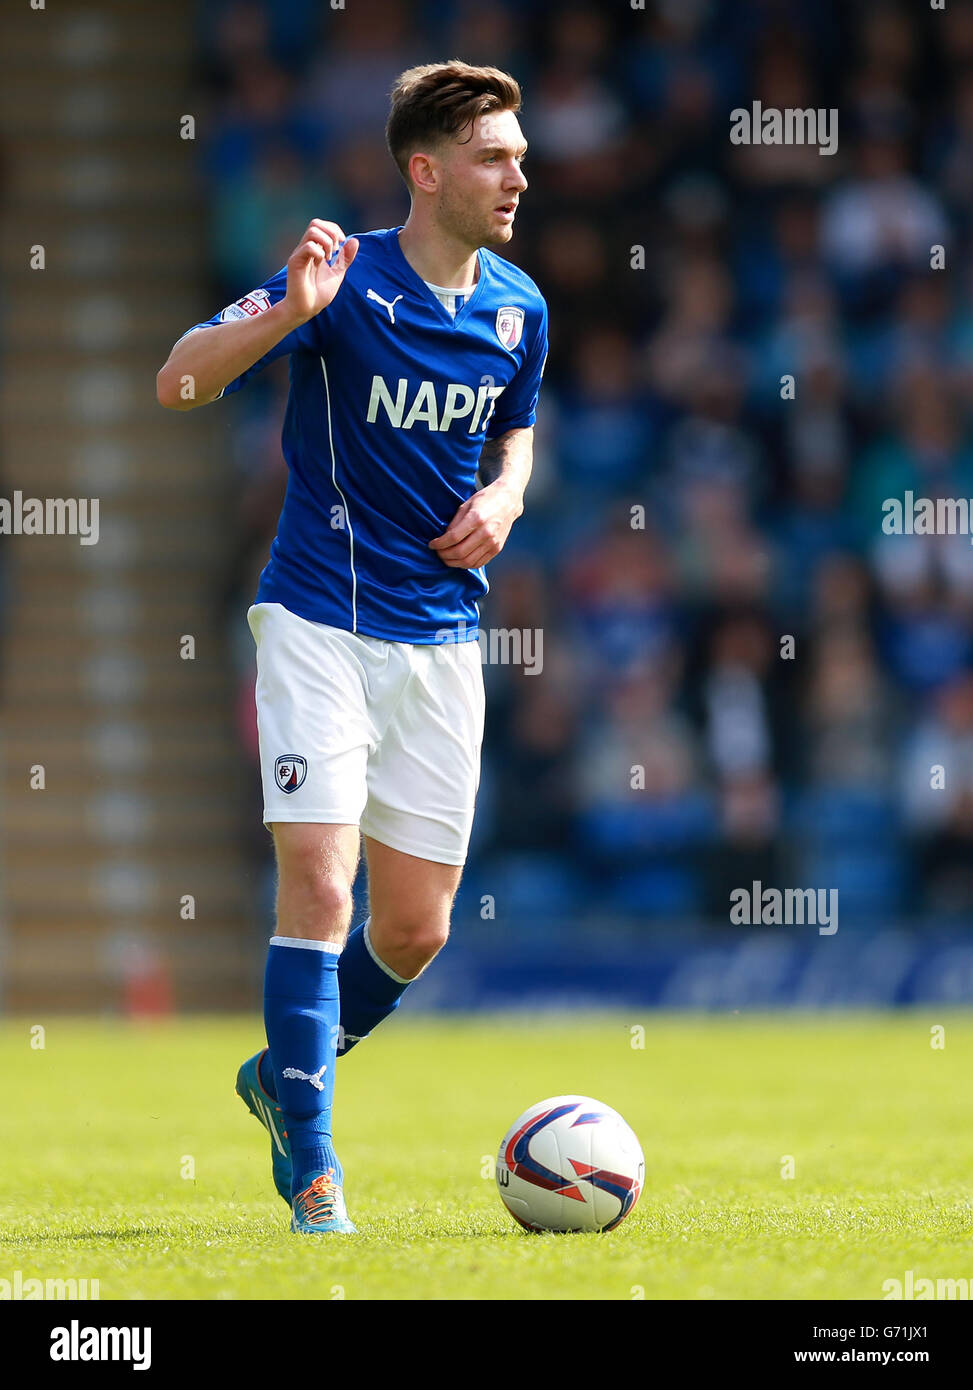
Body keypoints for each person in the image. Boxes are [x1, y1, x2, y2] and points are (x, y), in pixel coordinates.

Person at [157, 60, 548, 1233]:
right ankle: (314, 1168)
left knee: (416, 926)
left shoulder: (519, 305)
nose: (518, 172)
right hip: (318, 616)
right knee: (321, 886)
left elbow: (516, 434)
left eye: (519, 153)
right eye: (493, 156)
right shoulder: (343, 280)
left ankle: (283, 1078)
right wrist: (287, 312)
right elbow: (178, 379)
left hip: (439, 636)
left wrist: (510, 497)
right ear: (426, 172)